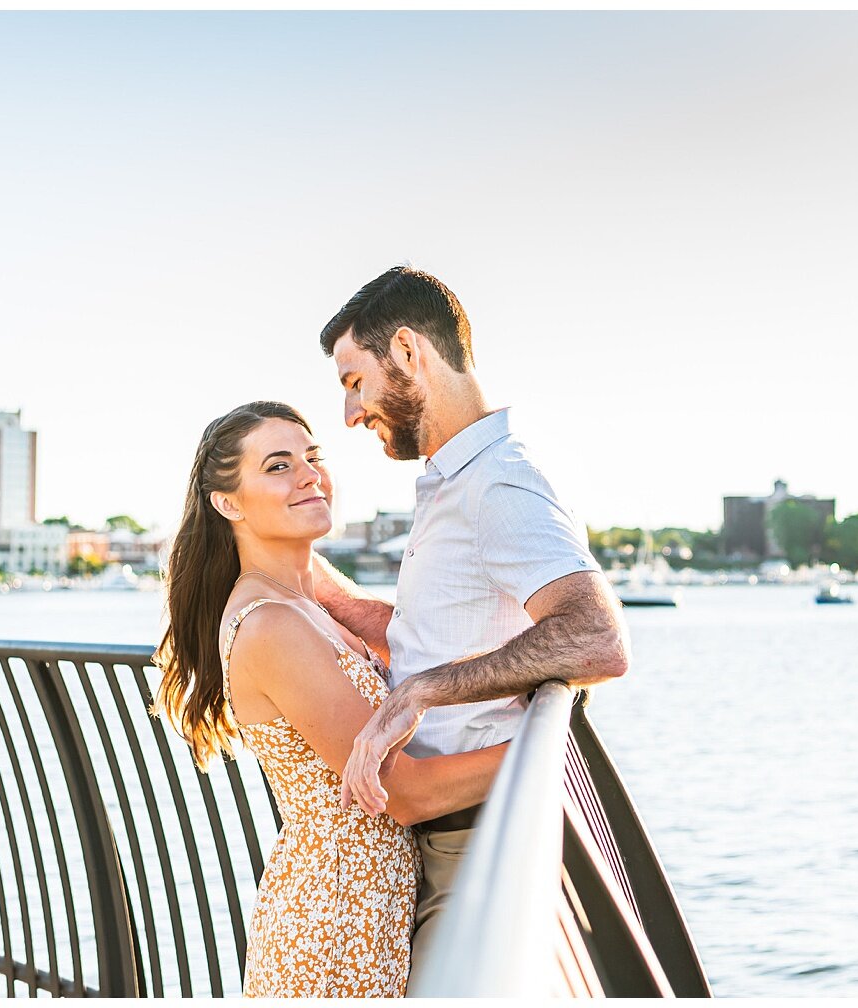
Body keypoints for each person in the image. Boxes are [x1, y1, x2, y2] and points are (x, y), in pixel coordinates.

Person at [308, 266, 632, 981]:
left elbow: (597, 637)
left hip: (475, 847)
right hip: (450, 836)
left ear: (408, 351)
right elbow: (438, 631)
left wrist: (420, 691)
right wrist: (285, 567)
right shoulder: (456, 479)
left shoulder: (499, 483)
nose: (351, 414)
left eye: (354, 381)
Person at [154, 400, 508, 998]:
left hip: (367, 904)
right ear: (228, 503)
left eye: (314, 457)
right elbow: (405, 793)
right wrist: (541, 754)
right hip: (338, 923)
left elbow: (409, 640)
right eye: (278, 465)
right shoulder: (272, 626)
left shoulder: (303, 599)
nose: (309, 474)